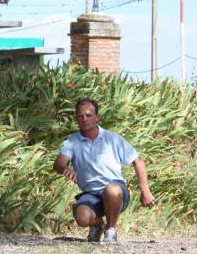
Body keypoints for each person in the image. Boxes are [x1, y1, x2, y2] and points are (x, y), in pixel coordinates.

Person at [53, 98, 155, 243]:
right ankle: (97, 225)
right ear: (76, 118)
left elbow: (138, 161)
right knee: (81, 217)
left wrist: (145, 191)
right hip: (91, 194)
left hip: (116, 192)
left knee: (111, 189)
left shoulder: (113, 139)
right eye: (80, 116)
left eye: (88, 115)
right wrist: (65, 168)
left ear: (97, 117)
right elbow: (59, 162)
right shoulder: (72, 142)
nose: (84, 119)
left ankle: (111, 229)